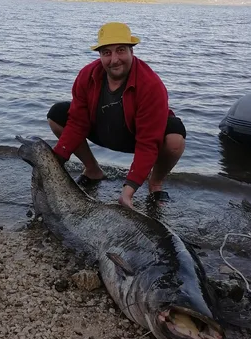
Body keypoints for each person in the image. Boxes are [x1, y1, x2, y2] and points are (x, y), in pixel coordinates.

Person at [47, 22, 186, 209]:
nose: (114, 59)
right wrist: (54, 164)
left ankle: (155, 184)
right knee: (57, 113)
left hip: (135, 138)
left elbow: (147, 143)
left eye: (120, 50)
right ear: (100, 55)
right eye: (107, 53)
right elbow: (77, 124)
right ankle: (93, 170)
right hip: (101, 130)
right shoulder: (87, 75)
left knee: (175, 136)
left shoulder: (151, 85)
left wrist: (127, 193)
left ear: (132, 51)